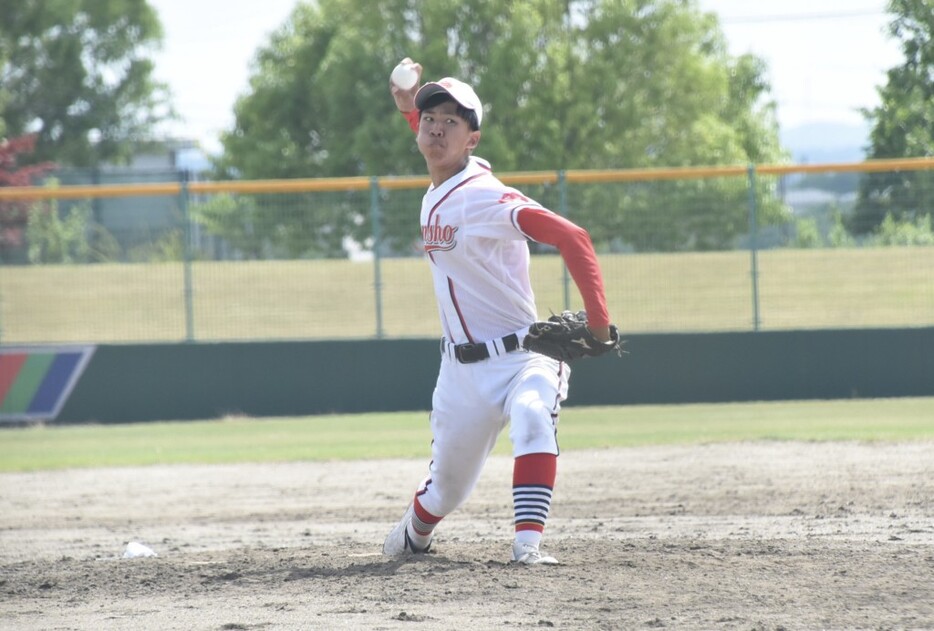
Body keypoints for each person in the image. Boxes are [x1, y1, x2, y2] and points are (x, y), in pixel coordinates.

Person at [383, 58, 618, 565]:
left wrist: (598, 324)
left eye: (453, 121)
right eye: (430, 119)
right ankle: (414, 534)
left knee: (534, 415)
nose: (436, 127)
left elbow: (572, 236)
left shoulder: (484, 197)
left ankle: (527, 547)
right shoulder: (439, 181)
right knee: (445, 492)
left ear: (474, 139)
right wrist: (409, 107)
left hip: (523, 354)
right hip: (460, 372)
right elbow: (433, 142)